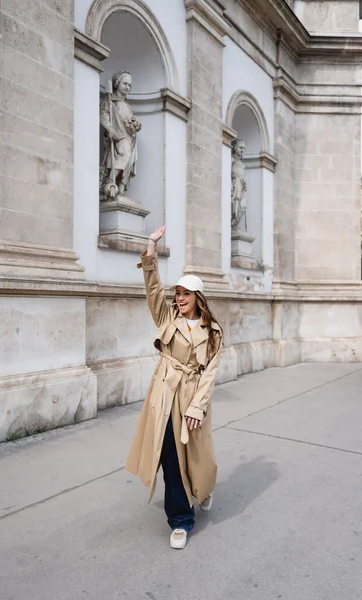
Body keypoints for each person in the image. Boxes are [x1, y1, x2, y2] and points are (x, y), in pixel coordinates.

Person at [126, 225, 223, 549]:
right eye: (177, 293)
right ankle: (180, 520)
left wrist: (197, 406)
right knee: (170, 457)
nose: (179, 299)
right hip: (166, 396)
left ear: (198, 298)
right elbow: (153, 290)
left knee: (198, 457)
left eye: (186, 294)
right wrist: (150, 248)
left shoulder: (212, 332)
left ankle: (204, 489)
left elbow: (209, 372)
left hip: (193, 398)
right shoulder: (168, 319)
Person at [100, 70, 141, 198]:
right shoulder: (110, 101)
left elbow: (130, 121)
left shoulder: (128, 106)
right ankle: (110, 180)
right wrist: (110, 129)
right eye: (125, 84)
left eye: (129, 85)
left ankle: (121, 188)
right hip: (118, 136)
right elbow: (103, 116)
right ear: (117, 83)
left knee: (130, 160)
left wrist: (136, 125)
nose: (127, 87)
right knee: (125, 154)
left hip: (129, 138)